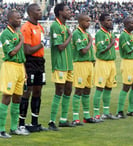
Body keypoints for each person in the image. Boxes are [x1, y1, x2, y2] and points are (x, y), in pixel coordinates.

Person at [0, 10, 29, 138]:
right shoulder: (5, 34)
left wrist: (25, 71)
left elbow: (20, 55)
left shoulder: (17, 33)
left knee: (18, 98)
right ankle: (1, 129)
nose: (19, 20)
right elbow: (11, 53)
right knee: (7, 96)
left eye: (20, 17)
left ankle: (13, 128)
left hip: (20, 68)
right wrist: (21, 41)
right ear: (9, 19)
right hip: (10, 67)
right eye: (17, 18)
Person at [19, 3, 47, 132]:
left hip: (40, 62)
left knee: (38, 91)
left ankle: (34, 123)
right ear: (30, 13)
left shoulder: (39, 26)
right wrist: (41, 45)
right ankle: (21, 124)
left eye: (40, 10)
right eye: (37, 10)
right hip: (30, 61)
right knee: (27, 91)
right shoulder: (26, 27)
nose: (40, 12)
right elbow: (27, 50)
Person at [48, 3, 75, 131]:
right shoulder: (55, 26)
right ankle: (51, 121)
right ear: (60, 12)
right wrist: (70, 36)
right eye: (67, 10)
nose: (70, 12)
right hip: (60, 64)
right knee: (59, 91)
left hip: (69, 64)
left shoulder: (65, 26)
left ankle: (63, 119)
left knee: (68, 89)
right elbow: (60, 47)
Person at [72, 14, 100, 125]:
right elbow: (83, 51)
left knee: (87, 90)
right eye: (87, 21)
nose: (89, 23)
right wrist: (90, 41)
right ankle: (75, 118)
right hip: (80, 65)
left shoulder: (86, 34)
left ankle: (86, 115)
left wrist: (93, 62)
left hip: (89, 65)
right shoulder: (77, 33)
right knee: (79, 90)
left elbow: (89, 52)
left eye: (90, 21)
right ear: (80, 21)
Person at [93, 13, 118, 120]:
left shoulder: (110, 34)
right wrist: (112, 43)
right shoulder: (100, 34)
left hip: (111, 63)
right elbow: (101, 50)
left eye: (111, 20)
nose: (110, 22)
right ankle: (96, 114)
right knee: (100, 87)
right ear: (102, 22)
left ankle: (106, 112)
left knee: (109, 87)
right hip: (102, 63)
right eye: (108, 20)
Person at [116, 17, 133, 117]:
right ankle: (120, 111)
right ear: (125, 24)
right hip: (128, 63)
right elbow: (128, 50)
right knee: (126, 86)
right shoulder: (123, 35)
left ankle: (131, 110)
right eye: (131, 23)